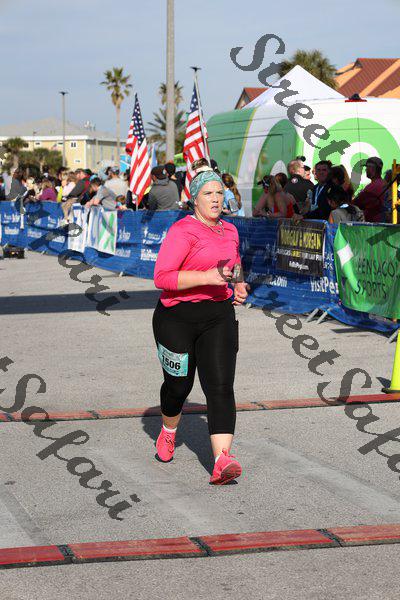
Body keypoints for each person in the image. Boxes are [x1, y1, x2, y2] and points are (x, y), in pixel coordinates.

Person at [152, 167, 249, 485]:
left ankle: (222, 460)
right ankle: (168, 431)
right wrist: (206, 277)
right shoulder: (182, 231)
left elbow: (234, 262)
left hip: (218, 315)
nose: (216, 199)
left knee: (220, 386)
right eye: (208, 193)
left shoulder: (230, 231)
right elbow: (162, 277)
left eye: (220, 193)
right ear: (194, 199)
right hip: (176, 317)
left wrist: (238, 283)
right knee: (178, 387)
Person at [354, 157, 386, 223]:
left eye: (367, 167)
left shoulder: (372, 186)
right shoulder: (382, 183)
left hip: (373, 224)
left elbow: (356, 203)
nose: (366, 170)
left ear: (372, 169)